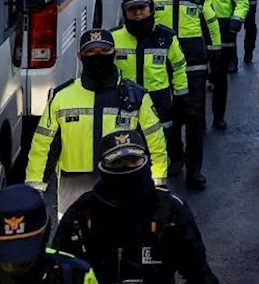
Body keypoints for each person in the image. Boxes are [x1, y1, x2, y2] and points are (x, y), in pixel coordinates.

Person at [57, 131, 229, 284]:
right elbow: (58, 269)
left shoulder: (170, 211)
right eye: (118, 163)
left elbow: (194, 264)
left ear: (146, 161)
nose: (127, 168)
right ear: (103, 168)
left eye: (133, 161)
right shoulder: (83, 212)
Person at [26, 29, 168, 214]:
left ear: (114, 54)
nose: (97, 57)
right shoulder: (61, 97)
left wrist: (159, 183)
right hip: (74, 188)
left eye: (103, 52)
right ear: (79, 56)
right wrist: (34, 188)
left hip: (123, 184)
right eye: (90, 53)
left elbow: (155, 143)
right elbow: (42, 145)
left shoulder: (137, 97)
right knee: (73, 240)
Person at [152, 0, 221, 190]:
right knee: (169, 120)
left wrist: (215, 59)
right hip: (163, 71)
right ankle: (176, 158)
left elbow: (212, 27)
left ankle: (195, 169)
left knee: (194, 121)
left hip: (194, 70)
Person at [112, 0, 189, 140]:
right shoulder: (113, 38)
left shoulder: (167, 37)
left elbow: (179, 67)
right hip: (125, 101)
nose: (138, 13)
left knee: (164, 141)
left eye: (142, 8)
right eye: (132, 9)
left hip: (159, 101)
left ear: (151, 9)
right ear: (125, 12)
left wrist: (181, 96)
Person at [192, 0, 249, 129]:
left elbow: (242, 3)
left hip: (223, 35)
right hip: (197, 35)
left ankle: (219, 116)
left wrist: (236, 20)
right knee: (197, 82)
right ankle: (199, 119)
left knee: (220, 79)